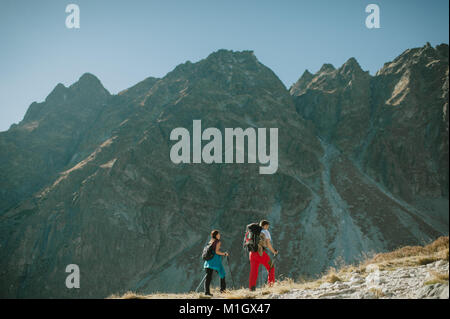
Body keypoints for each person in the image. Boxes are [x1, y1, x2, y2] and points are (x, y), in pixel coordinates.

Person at [249, 220, 278, 291]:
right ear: (265, 225)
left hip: (252, 254)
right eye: (267, 226)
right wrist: (274, 251)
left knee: (254, 272)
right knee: (271, 267)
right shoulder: (265, 231)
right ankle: (271, 286)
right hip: (260, 253)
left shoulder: (252, 232)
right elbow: (268, 244)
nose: (267, 228)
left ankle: (251, 289)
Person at [204, 230, 229, 296]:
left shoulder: (210, 241)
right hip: (215, 261)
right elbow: (217, 252)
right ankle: (223, 290)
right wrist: (224, 254)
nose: (219, 235)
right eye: (218, 234)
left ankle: (207, 292)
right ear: (216, 235)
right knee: (222, 273)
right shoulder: (217, 242)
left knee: (208, 277)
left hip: (208, 261)